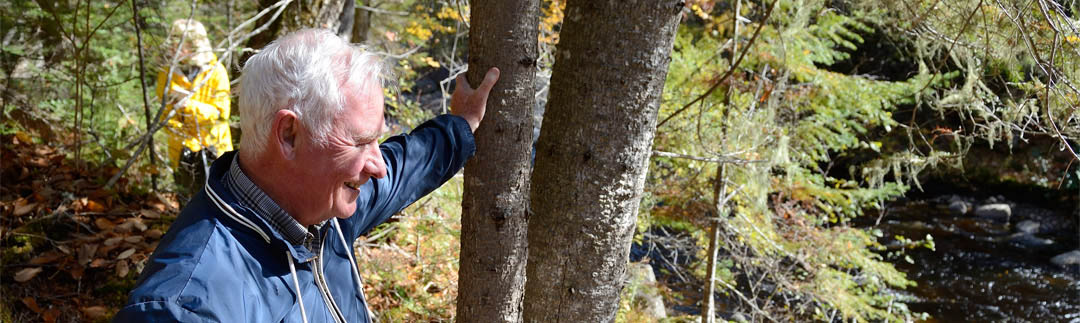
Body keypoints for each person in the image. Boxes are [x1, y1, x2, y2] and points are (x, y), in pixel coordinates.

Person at [115, 29, 499, 322]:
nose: (377, 165)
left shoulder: (319, 209)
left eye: (377, 140)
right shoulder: (187, 306)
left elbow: (405, 166)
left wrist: (460, 124)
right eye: (361, 142)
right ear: (289, 135)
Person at [157, 19, 233, 197]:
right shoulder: (167, 73)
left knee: (217, 203)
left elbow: (221, 114)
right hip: (181, 150)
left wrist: (188, 104)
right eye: (173, 39)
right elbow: (165, 116)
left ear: (194, 45)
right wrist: (181, 136)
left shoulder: (216, 72)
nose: (172, 44)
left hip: (214, 148)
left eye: (178, 40)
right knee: (186, 201)